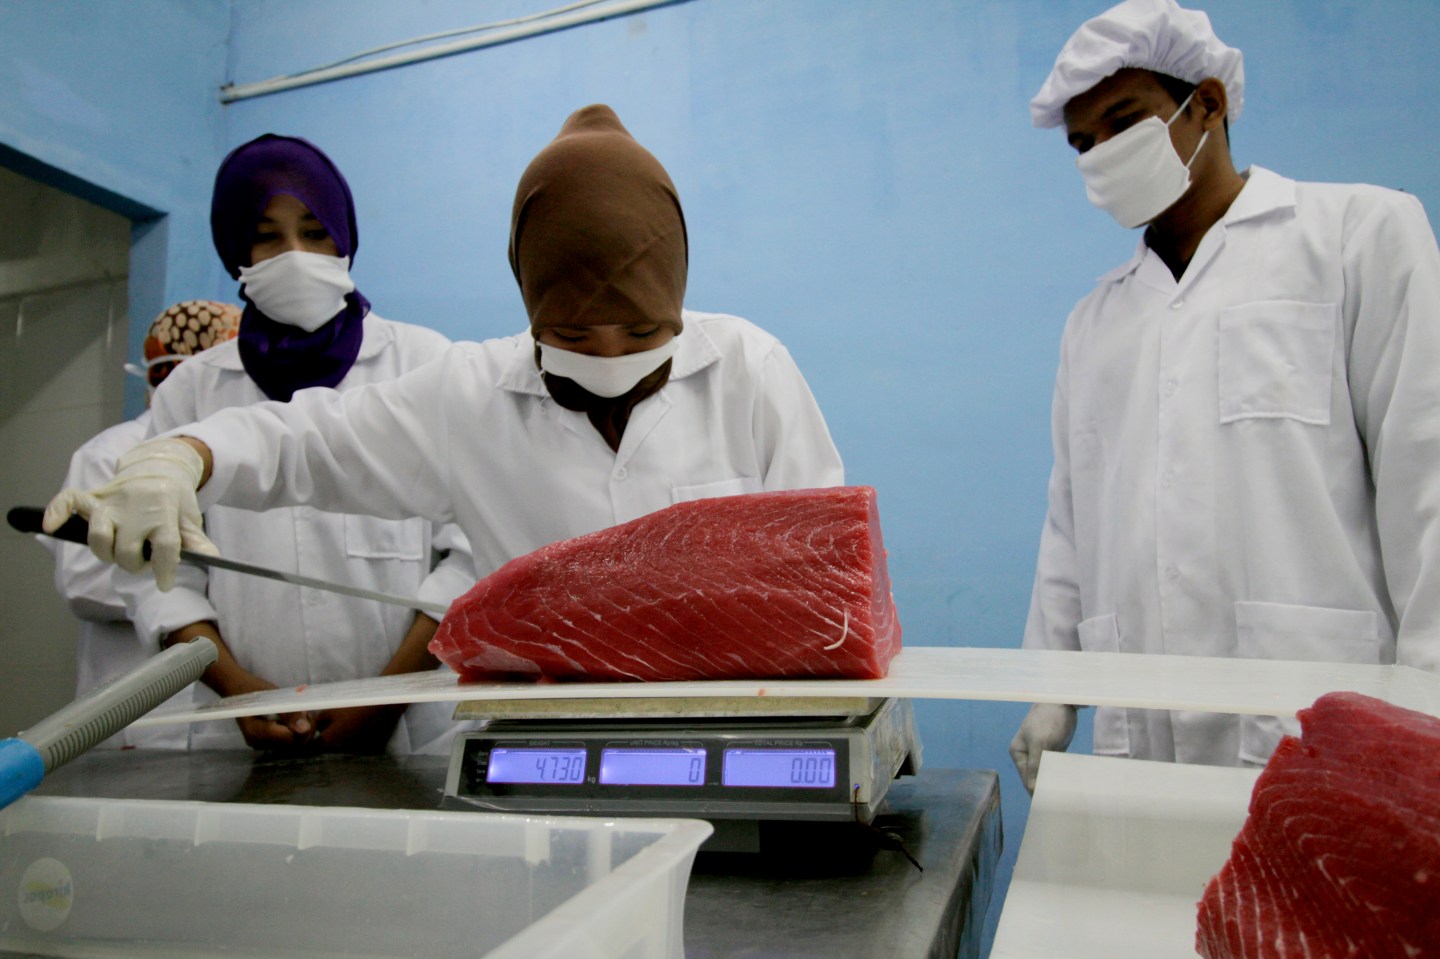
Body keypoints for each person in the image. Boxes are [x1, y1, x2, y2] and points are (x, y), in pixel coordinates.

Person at [45, 104, 843, 696]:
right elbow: (305, 440)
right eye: (574, 335)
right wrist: (184, 457)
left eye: (640, 333)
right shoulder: (468, 395)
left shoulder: (751, 370)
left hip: (735, 731)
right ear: (531, 309)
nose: (609, 357)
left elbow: (827, 588)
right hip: (546, 758)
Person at [1009, 0, 1440, 793]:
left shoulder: (1357, 238)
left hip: (1321, 724)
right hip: (1141, 741)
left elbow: (1427, 482)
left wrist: (1428, 705)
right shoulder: (1095, 322)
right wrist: (1052, 686)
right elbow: (1070, 524)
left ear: (1206, 103)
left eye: (1123, 121)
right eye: (1083, 143)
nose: (1102, 155)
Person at [113, 134, 475, 756]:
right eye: (267, 236)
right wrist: (237, 690)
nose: (296, 256)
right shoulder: (194, 391)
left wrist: (387, 697)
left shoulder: (423, 363)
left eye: (314, 232)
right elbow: (163, 572)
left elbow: (471, 550)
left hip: (411, 724)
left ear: (344, 237)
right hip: (248, 727)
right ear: (236, 248)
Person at [41, 300, 241, 749]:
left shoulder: (235, 452)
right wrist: (209, 593)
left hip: (221, 710)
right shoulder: (111, 453)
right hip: (140, 705)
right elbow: (82, 580)